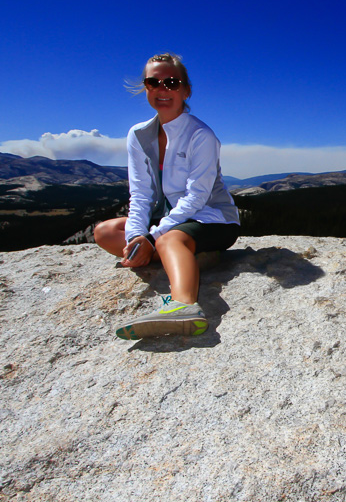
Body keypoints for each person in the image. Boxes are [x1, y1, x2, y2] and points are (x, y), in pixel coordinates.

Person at [95, 52, 240, 340]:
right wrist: (138, 236)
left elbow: (197, 197)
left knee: (168, 239)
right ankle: (187, 258)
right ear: (145, 88)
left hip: (212, 217)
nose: (163, 90)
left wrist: (152, 238)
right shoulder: (138, 135)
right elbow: (140, 194)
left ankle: (183, 305)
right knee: (105, 232)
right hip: (168, 219)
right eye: (153, 82)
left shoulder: (201, 135)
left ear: (186, 90)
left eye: (172, 83)